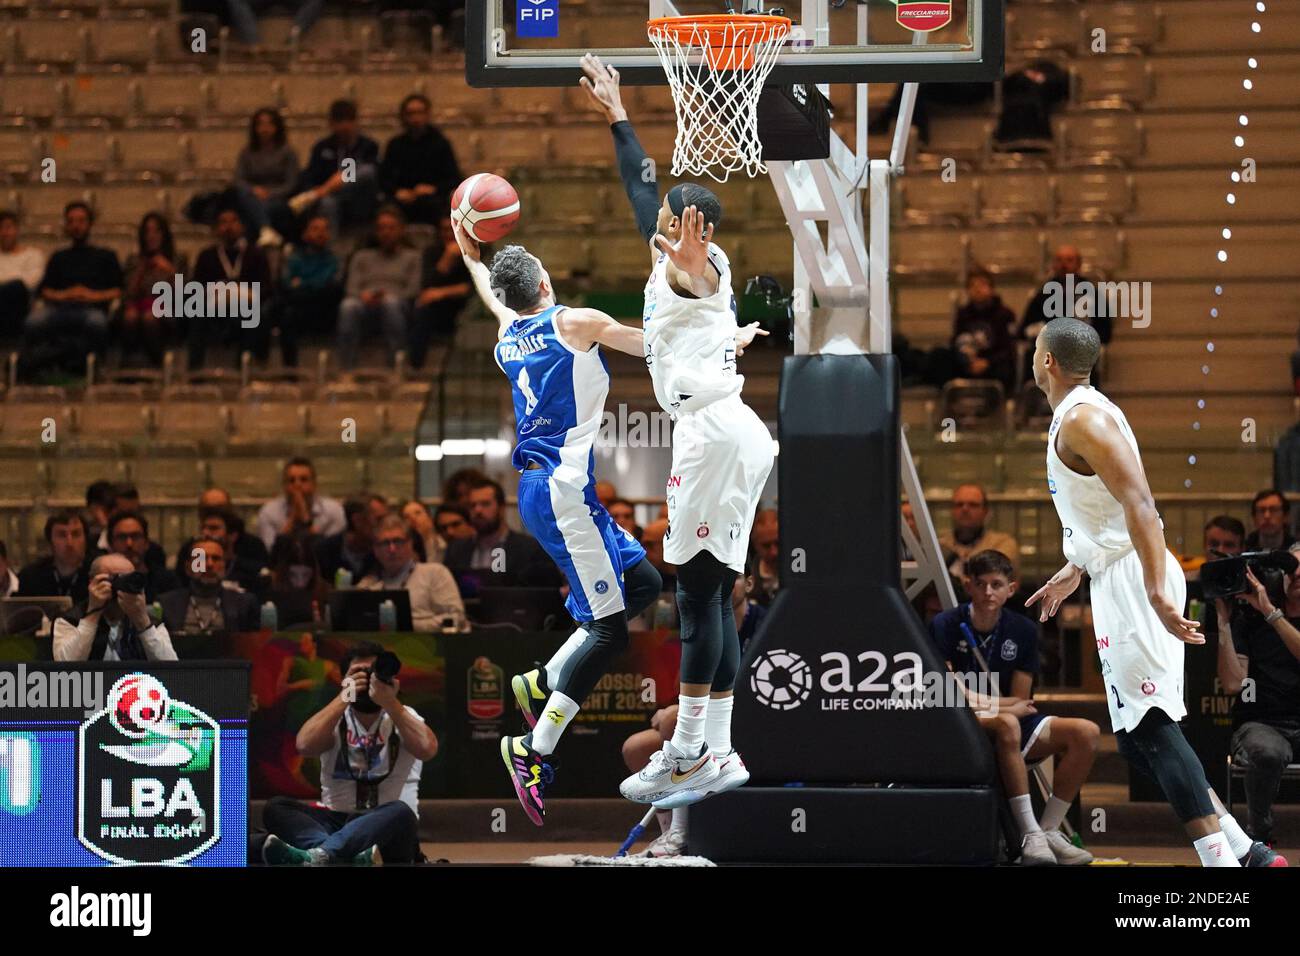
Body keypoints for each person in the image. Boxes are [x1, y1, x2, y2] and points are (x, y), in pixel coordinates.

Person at [581, 54, 774, 810]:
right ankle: (718, 751)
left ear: (696, 231)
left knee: (693, 599)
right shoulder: (677, 269)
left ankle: (688, 746)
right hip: (734, 431)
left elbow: (694, 269)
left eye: (670, 225)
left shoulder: (696, 268)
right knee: (713, 591)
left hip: (713, 435)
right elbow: (640, 191)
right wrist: (618, 113)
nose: (657, 231)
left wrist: (698, 272)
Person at [1025, 317, 1284, 867]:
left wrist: (1157, 593)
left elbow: (1141, 504)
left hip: (1134, 579)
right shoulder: (1078, 417)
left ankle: (1222, 863)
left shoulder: (1084, 419)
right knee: (1140, 738)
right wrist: (1077, 565)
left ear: (1047, 360)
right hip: (1117, 572)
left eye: (1035, 349)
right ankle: (1246, 851)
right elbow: (1108, 509)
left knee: (1151, 730)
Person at [453, 221, 663, 826]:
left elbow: (493, 294)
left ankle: (541, 678)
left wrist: (473, 254)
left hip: (553, 493)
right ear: (546, 281)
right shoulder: (576, 321)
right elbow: (651, 347)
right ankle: (532, 748)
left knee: (644, 583)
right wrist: (718, 335)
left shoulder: (507, 332)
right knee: (610, 633)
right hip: (566, 496)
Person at [931, 549, 1100, 865]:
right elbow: (948, 692)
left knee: (1086, 732)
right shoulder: (945, 624)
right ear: (968, 586)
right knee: (1007, 721)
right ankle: (1029, 834)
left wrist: (997, 704)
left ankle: (1049, 830)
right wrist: (999, 705)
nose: (987, 592)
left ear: (1011, 588)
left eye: (996, 584)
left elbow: (1022, 700)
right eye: (980, 584)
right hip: (961, 722)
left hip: (1006, 721)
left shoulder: (1022, 628)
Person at [262, 640, 437, 865]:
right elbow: (304, 745)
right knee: (277, 807)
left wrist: (390, 703)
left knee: (401, 811)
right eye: (358, 674)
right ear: (344, 680)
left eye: (373, 672)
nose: (366, 679)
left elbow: (428, 749)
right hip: (336, 821)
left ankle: (324, 853)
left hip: (386, 825)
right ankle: (340, 855)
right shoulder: (333, 716)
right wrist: (344, 697)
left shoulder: (404, 715)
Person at [1216, 547, 1300, 847]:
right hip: (1262, 723)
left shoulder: (1266, 612)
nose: (1298, 572)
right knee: (1267, 752)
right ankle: (1259, 836)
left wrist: (1271, 613)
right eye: (1293, 566)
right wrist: (1224, 623)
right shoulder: (1250, 618)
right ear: (1279, 575)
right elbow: (1233, 683)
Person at [23, 201, 122, 378]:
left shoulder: (106, 256)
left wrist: (91, 295)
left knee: (97, 323)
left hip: (92, 309)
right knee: (33, 322)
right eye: (71, 221)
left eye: (81, 221)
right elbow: (45, 290)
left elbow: (118, 290)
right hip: (59, 309)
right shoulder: (59, 257)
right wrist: (65, 294)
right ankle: (38, 367)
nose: (76, 226)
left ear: (90, 224)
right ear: (66, 225)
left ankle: (91, 367)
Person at [188, 207, 273, 367]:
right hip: (214, 310)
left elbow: (267, 288)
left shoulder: (255, 254)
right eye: (223, 222)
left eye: (233, 221)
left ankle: (244, 369)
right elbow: (195, 290)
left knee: (256, 315)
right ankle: (194, 373)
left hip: (247, 307)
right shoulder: (207, 256)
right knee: (196, 315)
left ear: (242, 226)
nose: (229, 226)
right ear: (216, 229)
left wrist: (243, 293)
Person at [337, 206, 420, 369]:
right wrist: (364, 296)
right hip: (364, 303)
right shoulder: (361, 257)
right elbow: (351, 288)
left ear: (401, 230)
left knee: (390, 304)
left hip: (397, 305)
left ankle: (395, 367)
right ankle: (346, 369)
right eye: (381, 228)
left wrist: (387, 295)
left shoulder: (413, 257)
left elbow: (413, 289)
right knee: (348, 306)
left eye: (391, 228)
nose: (386, 232)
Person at [440, 477, 559, 590]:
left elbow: (545, 596)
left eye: (485, 504)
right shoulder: (455, 550)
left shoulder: (531, 550)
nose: (478, 510)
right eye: (472, 505)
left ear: (501, 508)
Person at [53, 553, 177, 661]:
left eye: (127, 579)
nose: (120, 585)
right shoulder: (69, 620)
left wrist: (142, 621)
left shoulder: (150, 622)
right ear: (92, 583)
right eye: (113, 578)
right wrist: (93, 613)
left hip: (137, 686)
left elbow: (173, 670)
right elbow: (66, 670)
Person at [356, 515, 466, 632]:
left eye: (398, 541)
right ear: (375, 550)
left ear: (410, 544)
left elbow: (457, 618)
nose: (392, 549)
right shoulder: (367, 585)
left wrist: (408, 625)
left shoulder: (435, 573)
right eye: (385, 543)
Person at [287, 100, 380, 237]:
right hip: (331, 198)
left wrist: (340, 179)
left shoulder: (368, 146)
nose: (344, 126)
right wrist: (319, 189)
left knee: (366, 171)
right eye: (340, 121)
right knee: (327, 203)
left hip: (360, 197)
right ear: (331, 123)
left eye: (349, 120)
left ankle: (326, 189)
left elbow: (371, 175)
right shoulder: (322, 147)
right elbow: (311, 175)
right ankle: (331, 248)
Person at [379, 93, 462, 226]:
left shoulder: (440, 143)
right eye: (410, 113)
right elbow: (383, 178)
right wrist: (397, 191)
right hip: (403, 199)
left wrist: (433, 189)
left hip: (432, 199)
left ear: (427, 115)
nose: (415, 118)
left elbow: (454, 179)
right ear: (404, 116)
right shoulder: (395, 144)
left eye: (420, 113)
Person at [159, 537, 260, 636]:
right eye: (200, 558)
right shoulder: (166, 603)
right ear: (187, 567)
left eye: (216, 558)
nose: (209, 564)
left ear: (224, 566)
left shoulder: (245, 604)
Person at [121, 212, 184, 367]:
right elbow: (129, 294)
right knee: (130, 316)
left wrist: (170, 271)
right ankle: (129, 361)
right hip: (138, 306)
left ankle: (156, 363)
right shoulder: (134, 260)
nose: (151, 236)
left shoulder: (178, 259)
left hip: (169, 308)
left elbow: (187, 293)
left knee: (150, 317)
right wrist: (140, 270)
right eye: (147, 231)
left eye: (156, 231)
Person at [278, 213, 341, 367]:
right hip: (298, 308)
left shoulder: (333, 260)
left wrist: (302, 283)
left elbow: (327, 285)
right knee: (283, 311)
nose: (320, 233)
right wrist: (311, 285)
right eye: (315, 229)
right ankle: (289, 372)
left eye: (324, 229)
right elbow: (286, 284)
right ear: (305, 234)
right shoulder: (294, 258)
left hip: (324, 311)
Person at [233, 107, 299, 247]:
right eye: (261, 124)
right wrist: (254, 190)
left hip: (277, 197)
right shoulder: (247, 152)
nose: (265, 128)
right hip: (253, 195)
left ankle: (251, 237)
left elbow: (291, 183)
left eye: (269, 124)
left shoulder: (288, 152)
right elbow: (239, 180)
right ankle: (265, 229)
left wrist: (270, 193)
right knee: (242, 197)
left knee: (254, 209)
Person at [410, 216, 471, 368]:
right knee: (421, 310)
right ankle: (415, 366)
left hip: (466, 306)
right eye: (444, 230)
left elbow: (470, 288)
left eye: (452, 230)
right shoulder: (432, 252)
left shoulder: (474, 250)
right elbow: (427, 285)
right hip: (439, 306)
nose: (448, 234)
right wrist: (447, 259)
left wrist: (442, 292)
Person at [174, 503, 269, 594]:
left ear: (232, 535)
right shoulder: (193, 560)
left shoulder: (250, 571)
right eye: (203, 528)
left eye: (213, 528)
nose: (205, 533)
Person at [256, 457, 346, 550]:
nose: (297, 485)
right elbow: (270, 551)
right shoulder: (269, 512)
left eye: (303, 479)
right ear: (284, 485)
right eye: (291, 480)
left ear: (314, 484)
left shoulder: (334, 511)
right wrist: (293, 517)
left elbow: (330, 552)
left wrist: (305, 518)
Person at [950, 267, 1016, 390]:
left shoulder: (1005, 314)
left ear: (991, 288)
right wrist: (968, 361)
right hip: (969, 363)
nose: (977, 289)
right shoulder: (963, 314)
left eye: (982, 284)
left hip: (993, 364)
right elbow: (956, 342)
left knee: (1005, 366)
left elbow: (1008, 348)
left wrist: (987, 362)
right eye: (972, 285)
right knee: (941, 357)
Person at [938, 483, 1020, 580]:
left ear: (986, 511)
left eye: (973, 505)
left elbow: (992, 578)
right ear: (952, 510)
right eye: (959, 505)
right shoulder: (940, 545)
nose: (965, 509)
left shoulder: (1004, 543)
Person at [18, 509, 92, 604]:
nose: (69, 543)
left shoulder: (97, 573)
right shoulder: (30, 577)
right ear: (50, 542)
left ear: (86, 539)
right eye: (62, 535)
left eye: (76, 534)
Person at [106, 511, 178, 601]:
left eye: (135, 536)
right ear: (110, 544)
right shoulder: (104, 581)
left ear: (146, 543)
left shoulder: (166, 581)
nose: (129, 544)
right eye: (122, 537)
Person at [316, 494, 387, 585]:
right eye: (379, 519)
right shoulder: (324, 552)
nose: (386, 525)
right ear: (357, 520)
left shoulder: (386, 552)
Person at [266, 532, 330, 627]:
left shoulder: (325, 592)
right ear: (284, 574)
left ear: (314, 574)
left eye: (306, 575)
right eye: (293, 575)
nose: (300, 583)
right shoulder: (270, 594)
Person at [0, 210, 45, 339]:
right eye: (0, 228)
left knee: (16, 287)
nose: (4, 232)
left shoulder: (33, 255)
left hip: (21, 306)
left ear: (17, 230)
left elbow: (29, 284)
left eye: (8, 227)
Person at [749, 509, 779, 606]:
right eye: (766, 546)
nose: (774, 552)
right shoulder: (748, 581)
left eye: (778, 543)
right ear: (755, 545)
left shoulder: (801, 570)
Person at [400, 499, 444, 564]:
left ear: (430, 518)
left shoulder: (443, 546)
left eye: (418, 513)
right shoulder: (402, 551)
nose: (413, 518)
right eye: (406, 517)